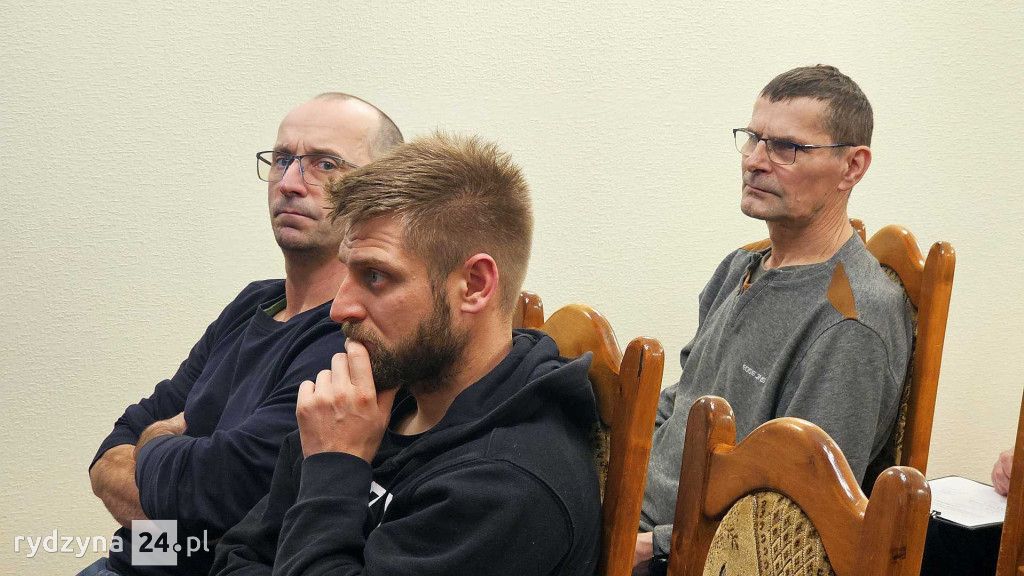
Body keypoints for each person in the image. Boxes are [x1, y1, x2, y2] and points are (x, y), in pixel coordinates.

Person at [210, 132, 602, 576]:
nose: (340, 308)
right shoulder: (376, 398)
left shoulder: (507, 487)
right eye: (347, 271)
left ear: (475, 286)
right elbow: (235, 556)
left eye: (375, 276)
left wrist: (334, 466)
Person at [80, 93, 403, 576]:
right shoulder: (255, 301)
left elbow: (228, 494)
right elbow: (114, 448)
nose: (290, 183)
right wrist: (157, 467)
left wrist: (148, 446)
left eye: (325, 164)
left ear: (380, 191)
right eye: (282, 159)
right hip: (124, 562)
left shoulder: (355, 333)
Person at [634, 65, 913, 570]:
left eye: (786, 147)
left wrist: (651, 545)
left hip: (685, 557)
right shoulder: (740, 266)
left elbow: (794, 519)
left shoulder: (852, 323)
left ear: (852, 167)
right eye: (753, 138)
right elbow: (684, 399)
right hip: (636, 523)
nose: (754, 161)